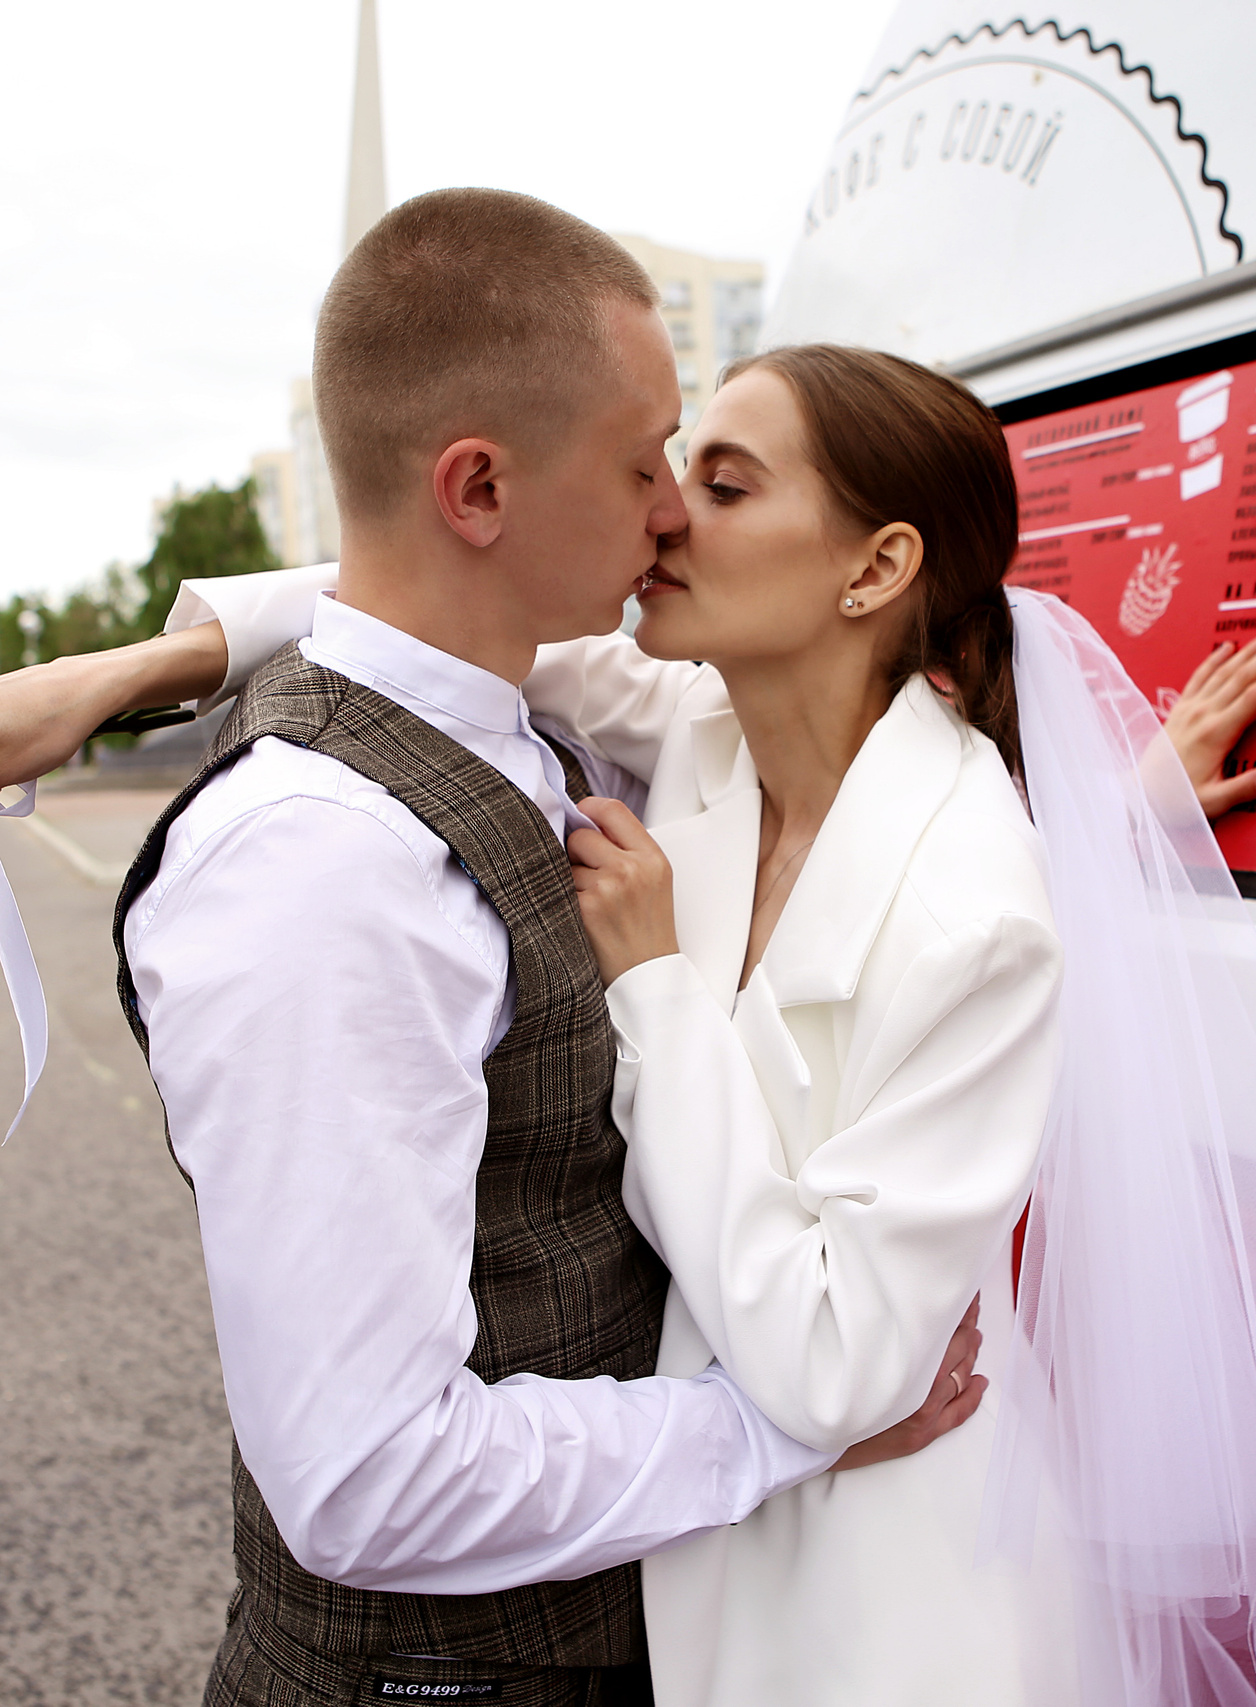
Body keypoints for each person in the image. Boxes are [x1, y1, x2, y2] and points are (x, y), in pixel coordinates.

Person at [1, 195, 999, 1707]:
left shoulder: (555, 710)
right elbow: (368, 1478)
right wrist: (786, 1433)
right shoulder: (320, 870)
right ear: (477, 488)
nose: (669, 507)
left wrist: (150, 659)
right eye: (644, 460)